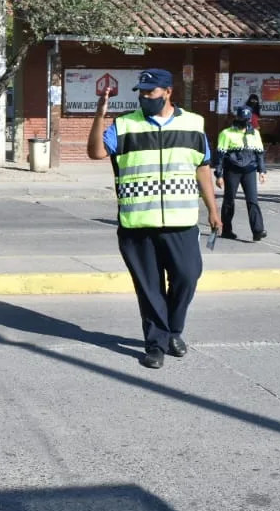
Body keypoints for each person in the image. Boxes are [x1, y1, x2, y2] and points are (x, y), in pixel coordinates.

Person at [87, 68, 222, 370]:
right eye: (141, 93)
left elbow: (203, 167)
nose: (145, 97)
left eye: (151, 92)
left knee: (187, 277)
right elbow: (95, 151)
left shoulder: (193, 124)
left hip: (181, 221)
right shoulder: (124, 125)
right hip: (138, 224)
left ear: (168, 92)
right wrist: (100, 115)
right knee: (150, 289)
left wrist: (213, 209)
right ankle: (156, 344)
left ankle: (173, 330)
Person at [215, 105, 267, 241]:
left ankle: (258, 230)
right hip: (232, 170)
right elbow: (220, 156)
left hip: (249, 170)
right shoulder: (226, 133)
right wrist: (219, 175)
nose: (245, 122)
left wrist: (262, 171)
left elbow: (260, 153)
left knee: (252, 201)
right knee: (229, 200)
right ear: (237, 118)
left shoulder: (255, 133)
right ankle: (226, 230)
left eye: (247, 119)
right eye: (242, 119)